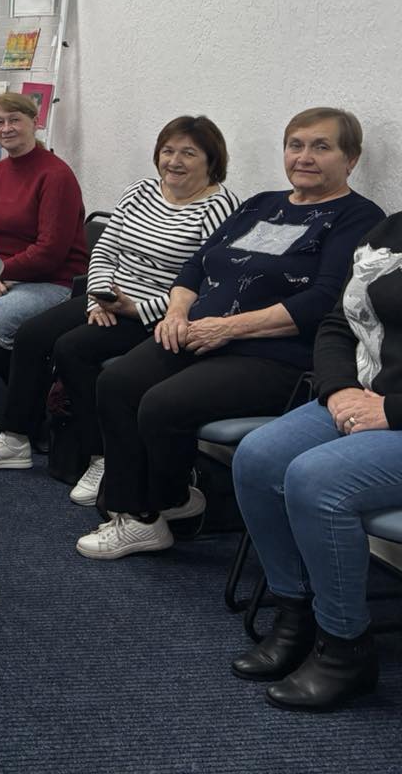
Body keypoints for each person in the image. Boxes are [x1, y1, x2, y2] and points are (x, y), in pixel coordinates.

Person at [78, 108, 385, 560]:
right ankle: (144, 510)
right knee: (116, 383)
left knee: (162, 404)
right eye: (295, 145)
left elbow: (324, 300)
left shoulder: (358, 217)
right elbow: (197, 265)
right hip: (201, 331)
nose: (304, 157)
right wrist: (176, 313)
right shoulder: (262, 204)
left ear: (351, 159)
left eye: (321, 147)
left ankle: (157, 504)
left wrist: (227, 328)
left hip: (276, 354)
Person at [0, 117, 239, 499]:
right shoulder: (141, 191)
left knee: (73, 349)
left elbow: (207, 284)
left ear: (211, 160)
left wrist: (138, 308)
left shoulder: (220, 207)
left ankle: (101, 457)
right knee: (32, 335)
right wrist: (98, 297)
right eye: (168, 151)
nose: (174, 161)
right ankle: (16, 438)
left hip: (159, 314)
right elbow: (105, 251)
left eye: (188, 153)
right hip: (109, 298)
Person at [228, 210, 402, 712]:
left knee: (317, 480)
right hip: (363, 396)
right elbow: (337, 323)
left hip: (393, 411)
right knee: (258, 457)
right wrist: (340, 389)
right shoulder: (389, 231)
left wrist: (391, 410)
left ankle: (345, 650)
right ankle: (296, 615)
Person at [0, 91, 88, 358]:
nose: (6, 128)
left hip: (53, 282)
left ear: (35, 122)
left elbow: (50, 250)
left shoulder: (56, 175)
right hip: (2, 278)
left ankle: (25, 382)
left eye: (14, 120)